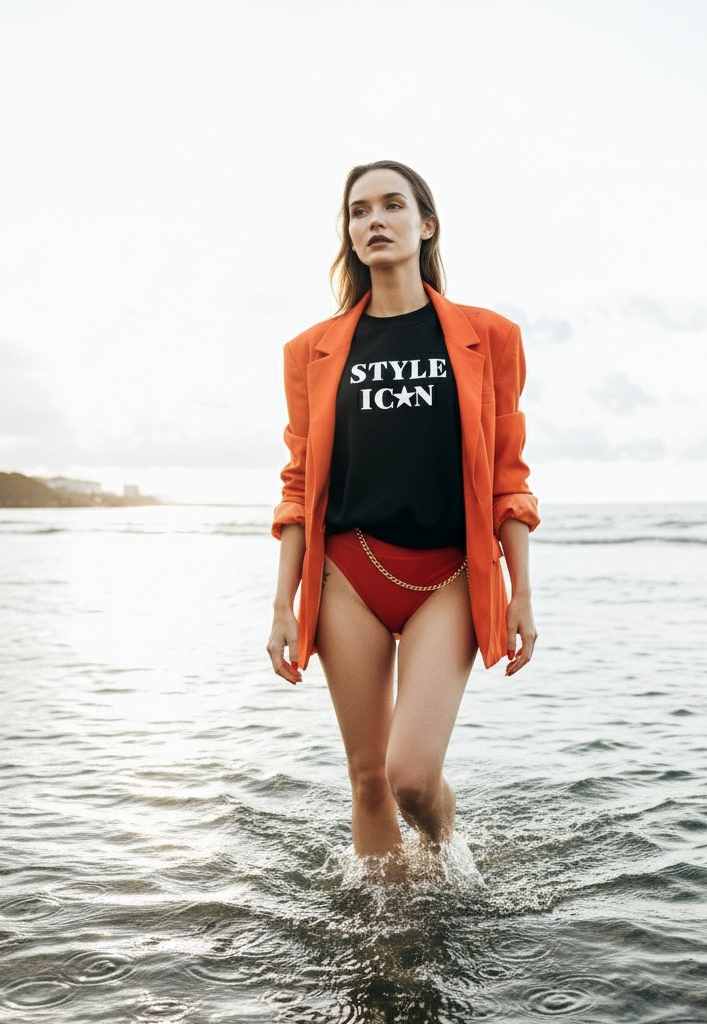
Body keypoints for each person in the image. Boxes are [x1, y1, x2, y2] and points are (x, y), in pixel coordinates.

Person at [267, 160, 539, 863]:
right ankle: (388, 941)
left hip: (446, 574)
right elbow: (298, 485)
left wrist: (523, 594)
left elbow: (509, 474)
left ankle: (446, 850)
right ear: (349, 233)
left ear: (426, 225)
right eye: (359, 211)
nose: (374, 221)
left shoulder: (491, 338)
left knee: (411, 779)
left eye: (392, 206)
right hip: (347, 575)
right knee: (367, 780)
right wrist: (281, 604)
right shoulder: (312, 352)